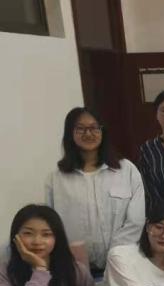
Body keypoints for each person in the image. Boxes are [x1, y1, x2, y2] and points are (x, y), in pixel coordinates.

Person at [46, 107, 145, 277]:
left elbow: (136, 219)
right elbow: (52, 224)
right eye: (81, 128)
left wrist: (115, 255)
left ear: (102, 131)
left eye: (94, 128)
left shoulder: (126, 170)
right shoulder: (56, 178)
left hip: (122, 265)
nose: (88, 134)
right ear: (70, 133)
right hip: (76, 269)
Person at [1, 205, 96, 286]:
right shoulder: (4, 273)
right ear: (15, 237)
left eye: (46, 234)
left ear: (57, 238)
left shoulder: (76, 270)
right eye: (28, 233)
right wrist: (40, 269)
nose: (37, 241)